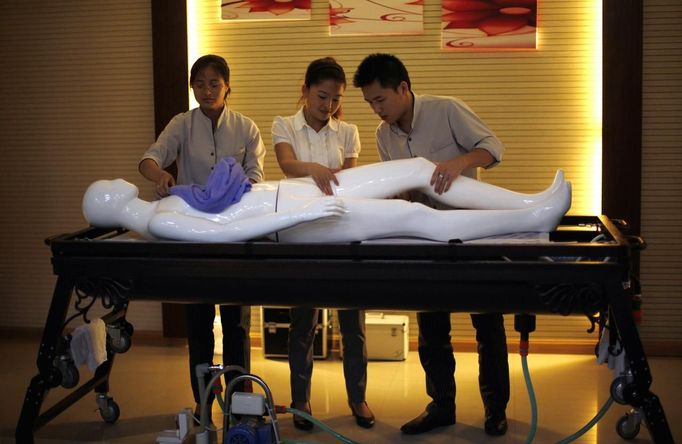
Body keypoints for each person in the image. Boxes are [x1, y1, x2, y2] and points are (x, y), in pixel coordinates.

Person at [352, 53, 511, 436]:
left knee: (487, 323)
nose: (377, 110)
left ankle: (495, 410)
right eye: (370, 103)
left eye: (381, 100)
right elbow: (402, 186)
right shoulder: (382, 136)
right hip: (424, 235)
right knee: (431, 326)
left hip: (470, 229)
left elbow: (494, 149)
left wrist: (458, 163)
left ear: (403, 88)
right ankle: (441, 405)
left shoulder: (447, 110)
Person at [137, 54, 266, 422]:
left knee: (236, 320)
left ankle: (241, 400)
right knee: (197, 319)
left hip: (234, 229)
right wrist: (159, 174)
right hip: (192, 229)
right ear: (192, 87)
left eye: (214, 83)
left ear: (228, 87)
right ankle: (204, 398)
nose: (206, 90)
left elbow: (256, 175)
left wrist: (236, 192)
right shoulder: (182, 124)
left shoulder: (246, 127)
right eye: (199, 83)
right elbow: (150, 158)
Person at [84, 157, 570, 244]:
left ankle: (531, 200)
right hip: (295, 219)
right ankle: (532, 218)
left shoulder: (162, 204)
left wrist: (298, 198)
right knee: (416, 215)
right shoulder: (163, 223)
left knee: (420, 169)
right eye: (104, 185)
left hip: (285, 194)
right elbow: (228, 232)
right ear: (107, 203)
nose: (111, 179)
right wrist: (304, 212)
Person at [271, 57, 374, 429]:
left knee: (353, 323)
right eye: (321, 96)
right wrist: (315, 169)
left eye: (335, 99)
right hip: (301, 234)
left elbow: (350, 177)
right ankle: (301, 401)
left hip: (342, 228)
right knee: (303, 322)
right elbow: (286, 165)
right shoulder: (284, 124)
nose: (327, 105)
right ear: (305, 91)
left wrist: (326, 175)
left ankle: (358, 399)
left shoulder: (348, 131)